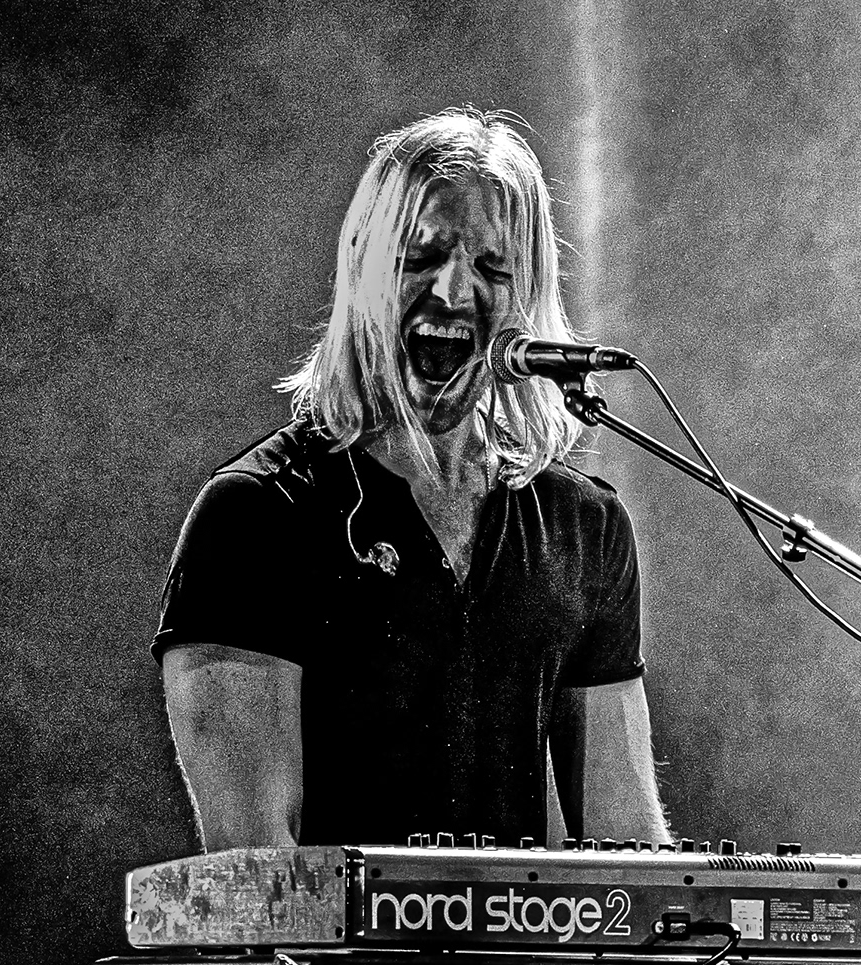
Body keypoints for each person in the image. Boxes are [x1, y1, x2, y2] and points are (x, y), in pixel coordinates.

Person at [153, 108, 671, 851]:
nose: (455, 293)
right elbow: (256, 874)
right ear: (362, 268)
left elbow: (628, 851)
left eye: (492, 268)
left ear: (528, 299)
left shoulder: (583, 528)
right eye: (421, 258)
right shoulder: (256, 516)